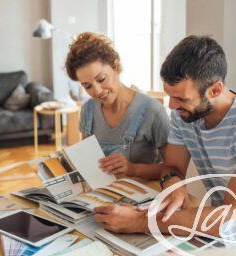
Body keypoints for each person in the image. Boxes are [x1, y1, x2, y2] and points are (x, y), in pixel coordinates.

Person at [94, 35, 236, 236]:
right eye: (170, 96)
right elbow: (172, 167)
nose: (172, 106)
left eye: (181, 98)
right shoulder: (183, 114)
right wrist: (174, 185)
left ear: (215, 90)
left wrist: (141, 222)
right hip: (230, 233)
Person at [65, 32, 169, 179]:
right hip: (100, 197)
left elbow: (173, 170)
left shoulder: (152, 111)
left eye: (101, 79)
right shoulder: (88, 110)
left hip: (141, 197)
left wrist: (133, 169)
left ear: (116, 67)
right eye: (88, 86)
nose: (97, 91)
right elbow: (87, 162)